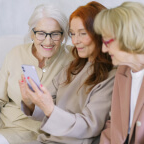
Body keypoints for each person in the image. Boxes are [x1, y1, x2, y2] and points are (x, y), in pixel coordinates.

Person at [19, 1, 116, 144]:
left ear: (100, 33)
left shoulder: (111, 76)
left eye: (82, 33)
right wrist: (30, 102)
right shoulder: (73, 67)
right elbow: (48, 105)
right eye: (73, 34)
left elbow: (89, 126)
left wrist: (50, 109)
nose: (75, 41)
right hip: (47, 139)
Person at [0, 4, 74, 144]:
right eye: (41, 33)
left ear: (63, 36)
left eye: (55, 33)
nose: (48, 41)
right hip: (1, 122)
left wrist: (30, 103)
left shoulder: (72, 60)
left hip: (34, 132)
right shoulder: (16, 53)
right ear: (32, 33)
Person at [94, 1, 144, 144]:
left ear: (127, 36)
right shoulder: (123, 71)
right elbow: (114, 124)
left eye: (107, 42)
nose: (103, 49)